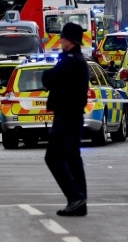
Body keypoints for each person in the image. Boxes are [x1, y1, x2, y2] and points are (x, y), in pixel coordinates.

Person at [41, 22, 90, 217]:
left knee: (53, 157)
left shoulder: (71, 61)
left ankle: (75, 196)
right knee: (72, 159)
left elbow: (49, 79)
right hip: (73, 116)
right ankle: (80, 202)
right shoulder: (76, 59)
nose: (60, 40)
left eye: (63, 38)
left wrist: (48, 74)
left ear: (70, 41)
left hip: (66, 117)